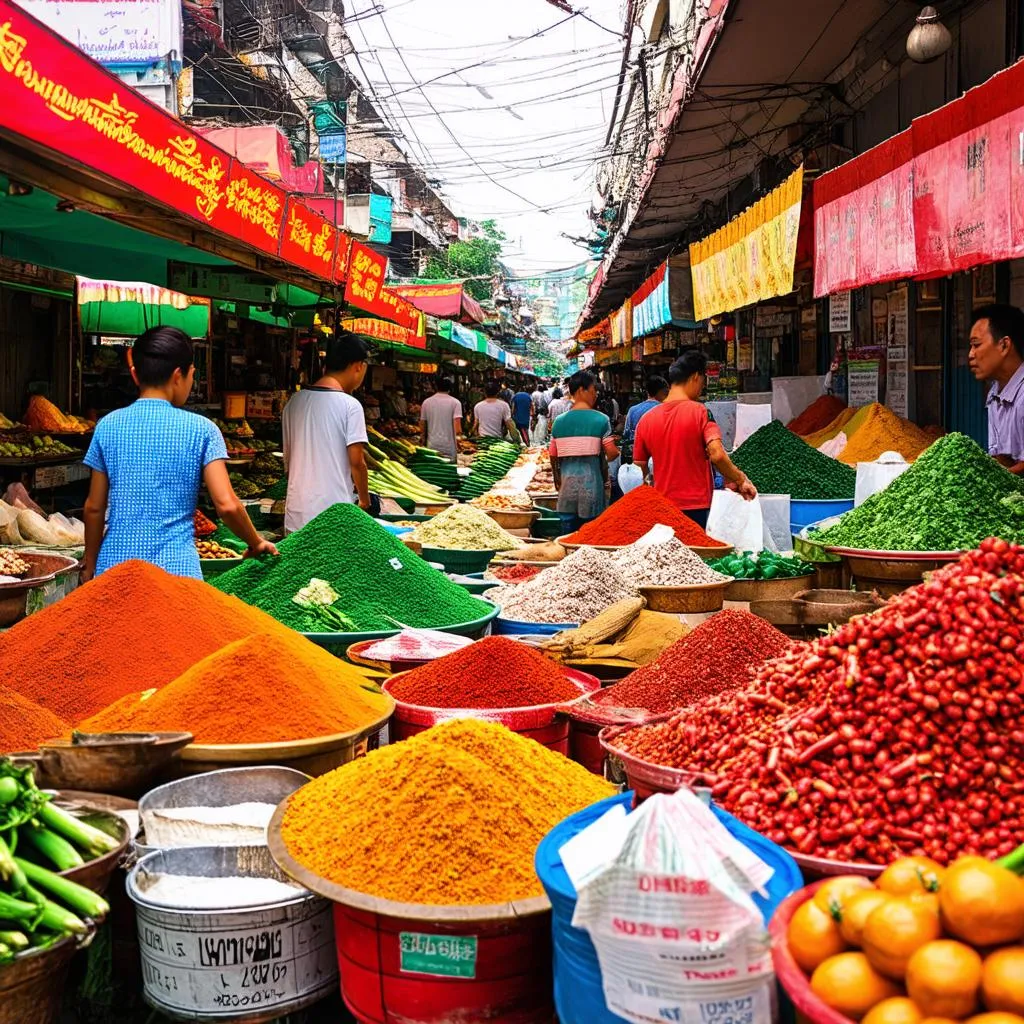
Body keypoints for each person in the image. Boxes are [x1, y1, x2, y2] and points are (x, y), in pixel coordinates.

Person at [81, 326, 277, 582]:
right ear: (178, 375)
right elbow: (227, 505)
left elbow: (94, 508)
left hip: (115, 570)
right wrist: (256, 542)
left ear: (134, 374)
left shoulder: (108, 425)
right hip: (176, 572)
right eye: (192, 375)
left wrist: (90, 563)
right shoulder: (203, 430)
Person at [633, 348, 756, 528]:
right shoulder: (701, 412)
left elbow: (638, 469)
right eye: (703, 381)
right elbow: (718, 455)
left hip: (662, 508)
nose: (702, 387)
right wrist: (739, 479)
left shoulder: (646, 420)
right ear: (696, 377)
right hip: (696, 507)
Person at [281, 330, 372, 534]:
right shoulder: (351, 406)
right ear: (358, 366)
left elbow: (288, 462)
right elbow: (357, 463)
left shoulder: (293, 402)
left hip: (296, 514)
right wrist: (365, 501)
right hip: (335, 516)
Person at [549, 370, 620, 530]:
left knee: (568, 539)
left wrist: (557, 481)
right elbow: (612, 453)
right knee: (591, 539)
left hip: (566, 491)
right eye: (594, 390)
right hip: (593, 492)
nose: (596, 395)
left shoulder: (558, 422)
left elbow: (553, 456)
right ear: (582, 390)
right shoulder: (601, 419)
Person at [970, 303, 1024, 474]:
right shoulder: (994, 394)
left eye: (976, 345)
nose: (971, 354)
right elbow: (1001, 458)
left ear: (1004, 345)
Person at [419, 377, 462, 461]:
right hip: (449, 447)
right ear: (450, 388)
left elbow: (422, 424)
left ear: (436, 387)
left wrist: (423, 439)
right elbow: (458, 429)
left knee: (434, 470)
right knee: (448, 471)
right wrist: (459, 441)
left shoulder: (426, 402)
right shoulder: (456, 403)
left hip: (432, 446)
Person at [623, 376, 669, 450]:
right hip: (661, 453)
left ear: (647, 392)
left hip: (638, 454)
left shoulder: (633, 410)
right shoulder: (667, 410)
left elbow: (627, 435)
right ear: (663, 391)